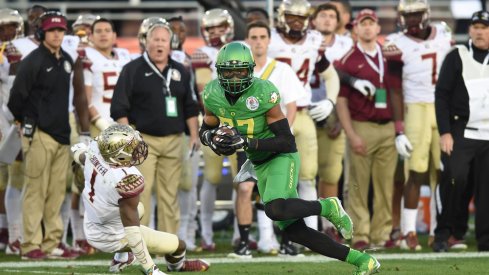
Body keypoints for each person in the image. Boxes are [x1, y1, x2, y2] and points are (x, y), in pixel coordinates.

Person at [201, 41, 380, 275]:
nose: (234, 78)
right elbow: (205, 130)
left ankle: (327, 206)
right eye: (229, 72)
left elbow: (287, 141)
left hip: (280, 156)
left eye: (240, 71)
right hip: (258, 162)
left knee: (275, 209)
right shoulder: (212, 93)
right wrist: (212, 139)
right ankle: (362, 261)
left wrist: (246, 142)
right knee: (295, 232)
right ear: (219, 72)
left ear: (251, 70)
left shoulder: (264, 92)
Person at [70, 124, 209, 274]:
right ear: (119, 155)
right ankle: (177, 266)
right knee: (179, 245)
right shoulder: (125, 179)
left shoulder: (96, 149)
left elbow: (79, 155)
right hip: (108, 236)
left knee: (138, 209)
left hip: (92, 221)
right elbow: (133, 235)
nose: (137, 150)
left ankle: (122, 257)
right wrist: (151, 269)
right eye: (131, 148)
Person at [7, 11, 89, 260]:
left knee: (56, 192)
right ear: (41, 32)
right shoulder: (32, 60)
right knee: (35, 190)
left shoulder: (65, 59)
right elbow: (15, 100)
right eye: (52, 30)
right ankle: (30, 243)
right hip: (40, 133)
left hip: (62, 132)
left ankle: (52, 242)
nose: (57, 34)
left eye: (61, 30)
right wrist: (24, 123)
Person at [111, 19, 199, 235]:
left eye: (164, 40)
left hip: (174, 139)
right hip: (143, 141)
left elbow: (190, 107)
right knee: (141, 194)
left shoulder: (181, 71)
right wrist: (130, 139)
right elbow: (119, 108)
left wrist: (194, 135)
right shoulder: (132, 69)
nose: (159, 44)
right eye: (155, 39)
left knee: (170, 195)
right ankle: (143, 244)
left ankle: (168, 245)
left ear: (171, 44)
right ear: (146, 42)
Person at [228, 20, 306, 258]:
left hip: (275, 140)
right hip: (248, 140)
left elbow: (291, 105)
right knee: (245, 188)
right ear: (247, 41)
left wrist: (284, 133)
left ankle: (287, 241)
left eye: (263, 37)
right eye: (254, 37)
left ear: (269, 40)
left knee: (282, 192)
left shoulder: (282, 70)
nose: (259, 41)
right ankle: (243, 243)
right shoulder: (239, 70)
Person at [383, 0, 452, 251]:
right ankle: (409, 230)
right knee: (416, 171)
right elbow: (394, 89)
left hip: (442, 106)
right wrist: (399, 128)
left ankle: (438, 230)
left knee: (442, 171)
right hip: (415, 108)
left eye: (416, 14)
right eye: (407, 15)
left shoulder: (443, 34)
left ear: (426, 14)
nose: (411, 20)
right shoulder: (396, 43)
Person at [268, 0, 338, 235]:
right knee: (270, 178)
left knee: (308, 176)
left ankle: (311, 232)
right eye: (291, 16)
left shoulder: (313, 41)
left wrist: (330, 100)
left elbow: (331, 76)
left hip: (303, 114)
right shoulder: (269, 40)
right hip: (273, 115)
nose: (296, 21)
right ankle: (271, 236)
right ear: (281, 17)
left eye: (300, 17)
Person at [335, 9, 397, 250]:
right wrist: (351, 134)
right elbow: (341, 102)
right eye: (363, 24)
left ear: (378, 28)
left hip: (388, 125)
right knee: (358, 184)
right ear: (356, 29)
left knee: (385, 184)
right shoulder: (348, 59)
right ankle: (360, 233)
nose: (368, 28)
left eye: (372, 24)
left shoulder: (388, 55)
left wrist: (399, 128)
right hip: (361, 125)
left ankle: (382, 233)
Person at [433, 10, 489, 252]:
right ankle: (445, 234)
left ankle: (485, 240)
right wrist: (445, 131)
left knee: (486, 189)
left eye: (484, 27)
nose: (479, 31)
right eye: (475, 26)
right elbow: (442, 95)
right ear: (469, 31)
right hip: (461, 130)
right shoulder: (457, 55)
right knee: (454, 179)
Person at [190, 8, 237, 251]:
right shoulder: (202, 53)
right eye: (212, 29)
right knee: (211, 177)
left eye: (221, 27)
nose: (217, 33)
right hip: (214, 120)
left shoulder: (240, 49)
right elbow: (203, 92)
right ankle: (206, 233)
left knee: (244, 178)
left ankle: (241, 233)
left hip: (241, 121)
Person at [310, 3, 353, 241]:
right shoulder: (305, 41)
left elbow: (346, 82)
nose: (327, 19)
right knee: (303, 174)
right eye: (322, 15)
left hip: (333, 114)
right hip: (304, 111)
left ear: (338, 20)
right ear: (314, 19)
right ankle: (303, 226)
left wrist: (338, 113)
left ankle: (328, 226)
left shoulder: (346, 45)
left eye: (331, 16)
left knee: (331, 173)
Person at [168, 15, 200, 251]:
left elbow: (195, 98)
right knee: (163, 187)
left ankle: (188, 232)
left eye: (181, 30)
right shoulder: (150, 61)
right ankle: (164, 233)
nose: (177, 34)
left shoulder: (191, 60)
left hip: (187, 129)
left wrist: (195, 131)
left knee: (189, 186)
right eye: (172, 30)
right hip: (164, 130)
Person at [0, 7, 24, 252]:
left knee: (12, 179)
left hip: (12, 121)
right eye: (4, 27)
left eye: (13, 26)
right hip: (3, 120)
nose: (10, 32)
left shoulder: (23, 49)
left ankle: (10, 233)